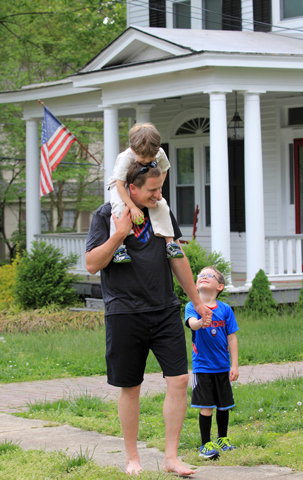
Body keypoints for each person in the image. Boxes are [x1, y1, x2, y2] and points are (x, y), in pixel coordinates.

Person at [86, 161, 212, 476]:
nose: (158, 195)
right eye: (152, 190)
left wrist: (197, 302)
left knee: (180, 380)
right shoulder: (105, 215)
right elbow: (91, 264)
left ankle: (171, 457)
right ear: (132, 189)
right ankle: (132, 458)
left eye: (160, 189)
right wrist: (119, 235)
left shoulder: (161, 212)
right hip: (124, 312)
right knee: (130, 386)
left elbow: (177, 258)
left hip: (165, 308)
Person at [107, 122, 183, 263]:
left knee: (162, 204)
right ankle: (119, 248)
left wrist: (158, 189)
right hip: (122, 184)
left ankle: (170, 243)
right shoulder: (126, 158)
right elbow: (119, 185)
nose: (147, 161)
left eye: (151, 157)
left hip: (146, 184)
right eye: (143, 157)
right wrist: (133, 207)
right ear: (133, 149)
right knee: (119, 207)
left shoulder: (159, 152)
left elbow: (164, 169)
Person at [185, 266, 239, 460]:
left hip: (223, 366)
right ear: (197, 284)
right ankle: (205, 444)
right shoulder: (192, 305)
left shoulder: (225, 310)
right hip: (203, 367)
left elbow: (232, 338)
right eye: (201, 275)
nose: (204, 277)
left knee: (224, 406)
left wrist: (234, 365)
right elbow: (192, 323)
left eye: (210, 275)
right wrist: (202, 321)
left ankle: (222, 439)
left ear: (220, 286)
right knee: (206, 406)